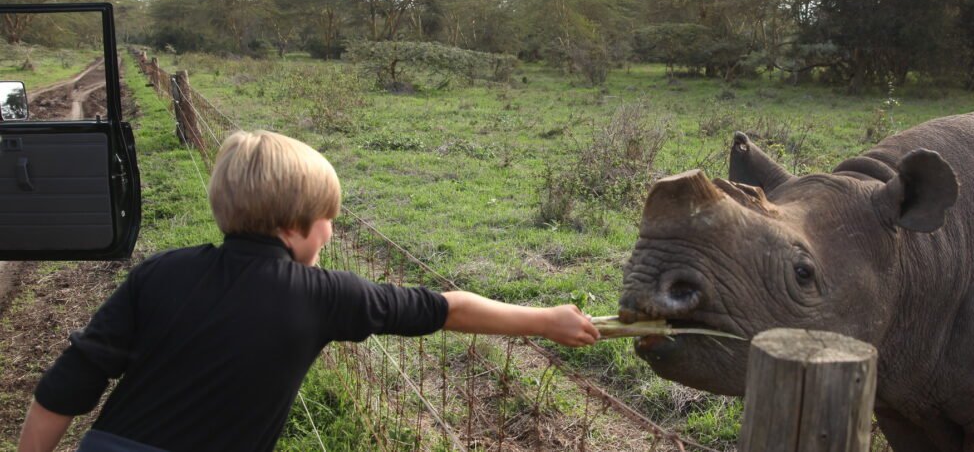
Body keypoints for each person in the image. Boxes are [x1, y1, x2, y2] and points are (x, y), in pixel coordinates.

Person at [17, 130, 600, 452]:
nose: (333, 230)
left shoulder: (160, 271)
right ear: (296, 227)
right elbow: (446, 309)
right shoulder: (323, 294)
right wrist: (547, 319)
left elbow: (72, 380)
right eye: (329, 219)